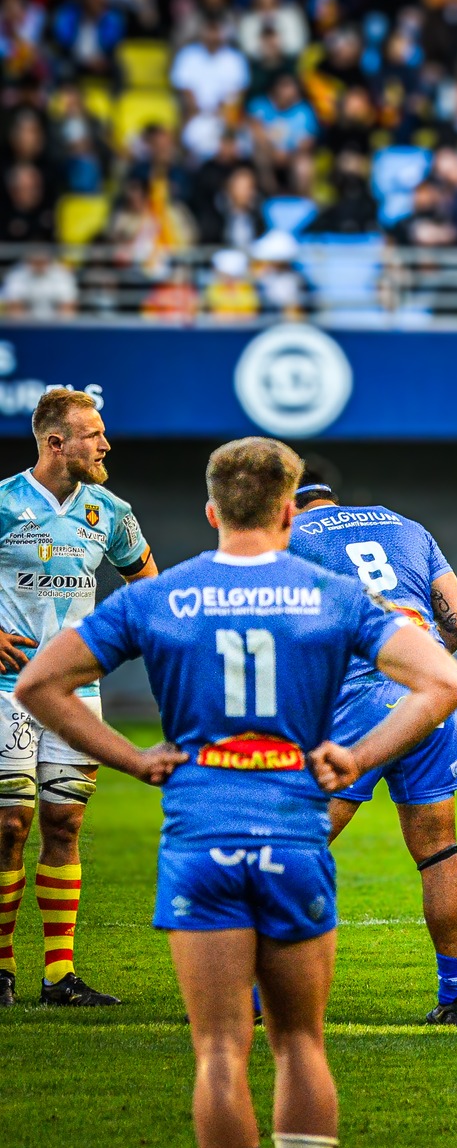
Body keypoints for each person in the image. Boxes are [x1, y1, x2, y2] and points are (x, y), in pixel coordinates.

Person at [7, 436, 457, 1148]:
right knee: (299, 1047)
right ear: (288, 514)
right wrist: (359, 756)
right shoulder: (331, 596)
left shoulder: (163, 595)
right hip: (292, 837)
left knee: (220, 1051)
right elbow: (446, 677)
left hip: (201, 837)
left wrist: (133, 760)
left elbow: (39, 684)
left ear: (211, 512)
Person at [288, 472, 457, 1023]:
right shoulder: (406, 527)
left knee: (292, 844)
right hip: (431, 694)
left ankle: (255, 1001)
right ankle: (454, 999)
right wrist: (418, 665)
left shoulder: (290, 536)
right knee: (440, 853)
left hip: (358, 701)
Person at [0, 388, 156, 1007]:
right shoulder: (5, 502)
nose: (106, 444)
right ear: (55, 443)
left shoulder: (111, 511)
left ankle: (59, 976)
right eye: (94, 435)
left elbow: (145, 585)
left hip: (75, 693)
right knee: (10, 824)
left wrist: (112, 641)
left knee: (64, 821)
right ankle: (2, 969)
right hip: (7, 689)